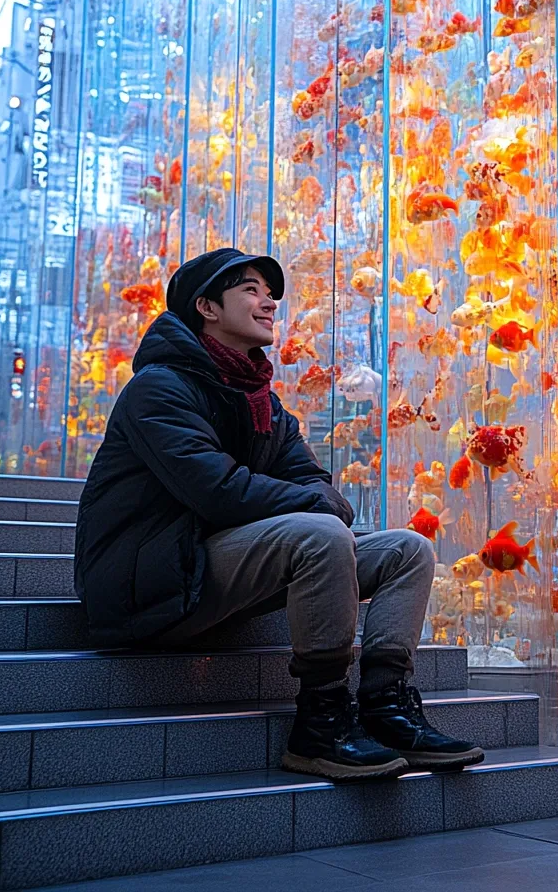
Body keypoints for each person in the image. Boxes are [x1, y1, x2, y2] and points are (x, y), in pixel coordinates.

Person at [74, 248, 484, 781]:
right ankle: (322, 722)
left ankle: (387, 706)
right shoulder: (159, 390)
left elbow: (316, 484)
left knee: (409, 549)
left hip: (212, 564)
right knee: (318, 533)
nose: (269, 302)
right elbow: (219, 491)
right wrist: (315, 504)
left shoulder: (262, 402)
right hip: (149, 582)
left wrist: (318, 501)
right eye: (251, 289)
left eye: (270, 293)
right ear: (207, 307)